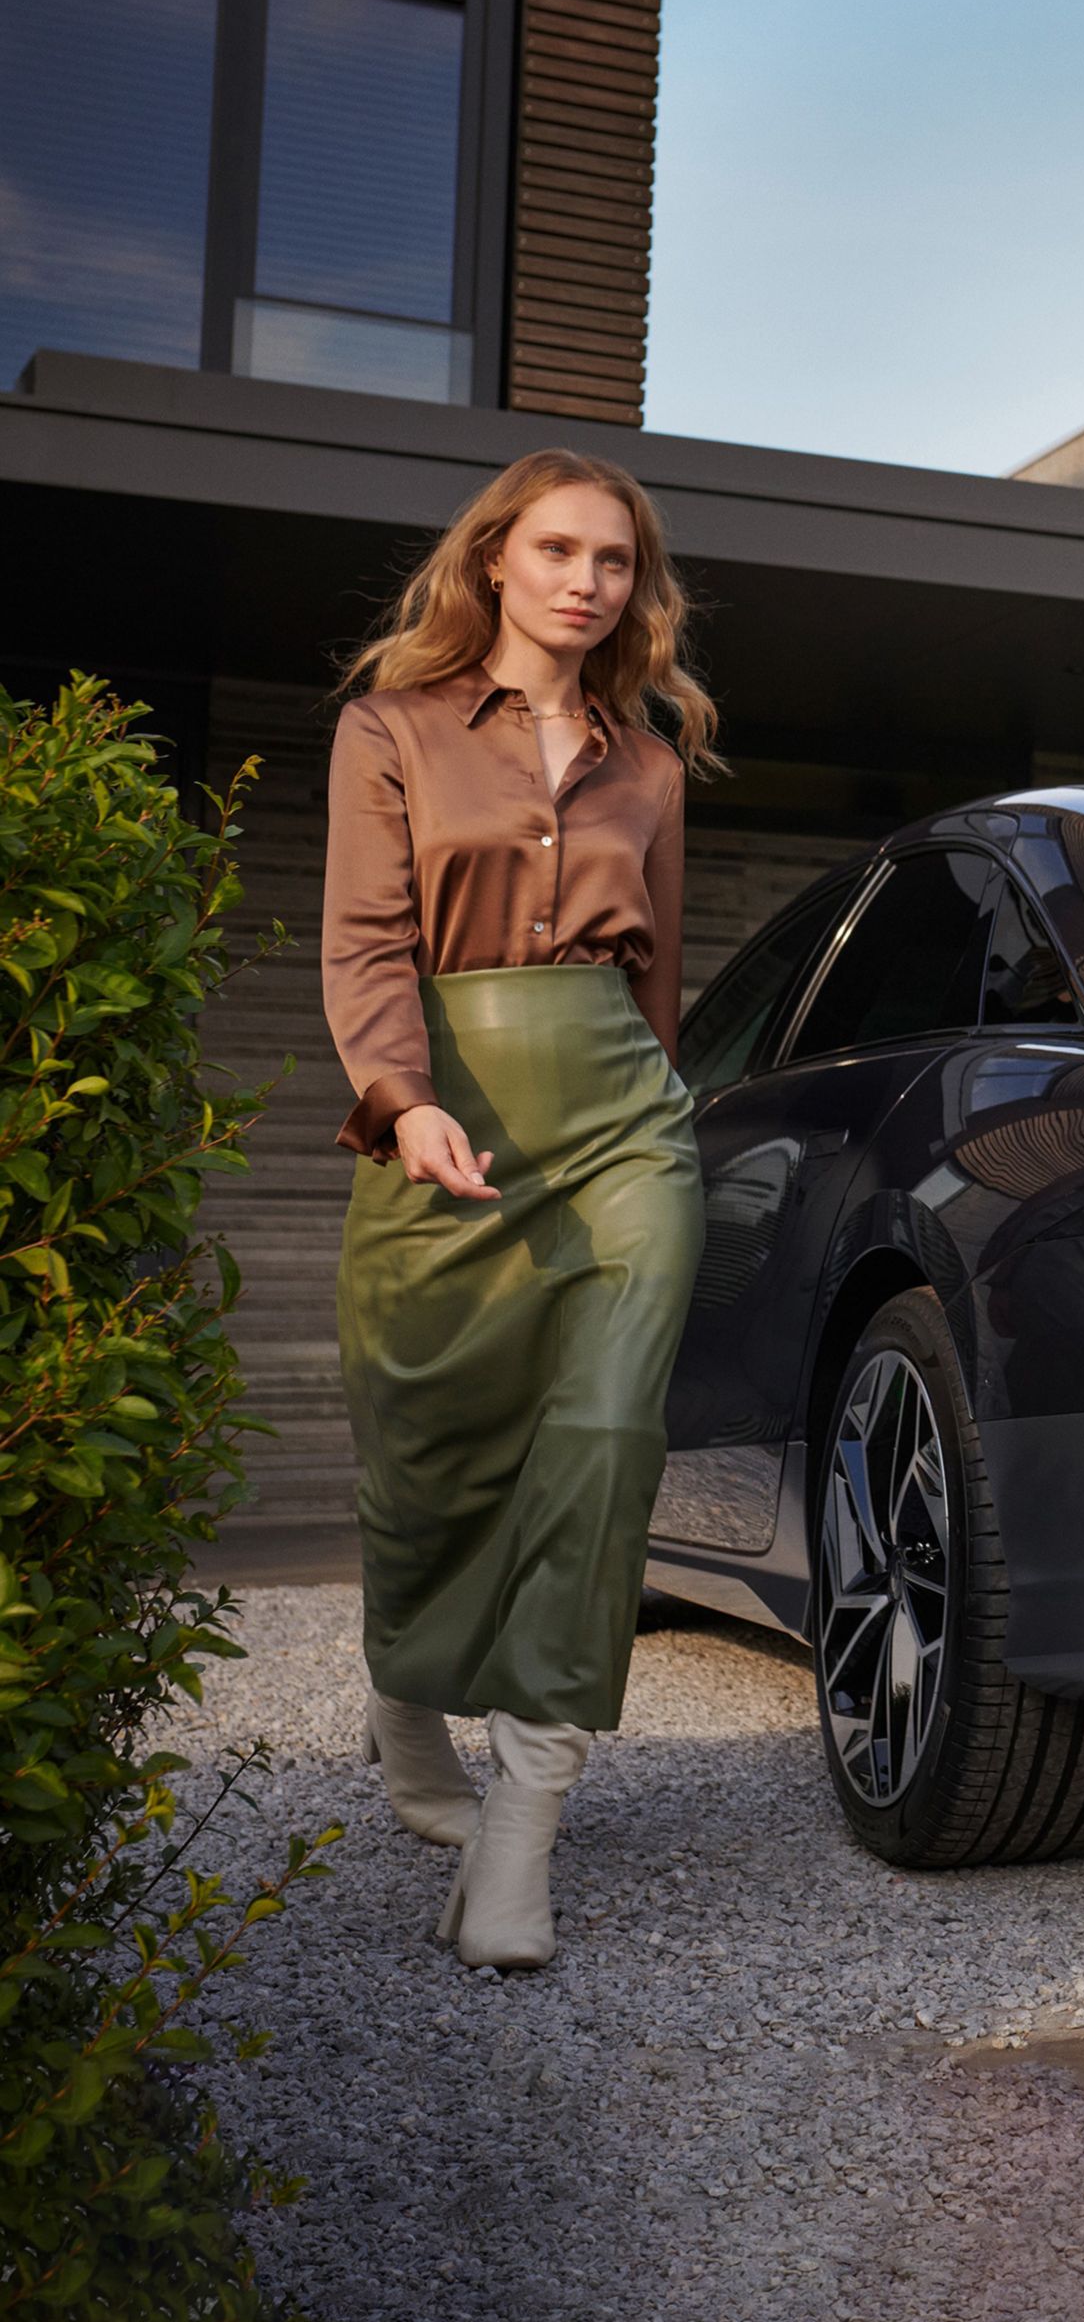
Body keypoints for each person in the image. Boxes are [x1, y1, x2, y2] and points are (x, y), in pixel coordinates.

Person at [325, 450, 714, 1968]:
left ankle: (522, 1826)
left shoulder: (653, 763)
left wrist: (661, 1114)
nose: (585, 580)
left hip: (621, 1126)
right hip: (443, 1115)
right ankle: (403, 1698)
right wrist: (402, 1100)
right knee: (426, 1451)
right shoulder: (393, 731)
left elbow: (656, 987)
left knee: (608, 1445)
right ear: (495, 560)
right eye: (556, 549)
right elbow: (364, 943)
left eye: (612, 561)